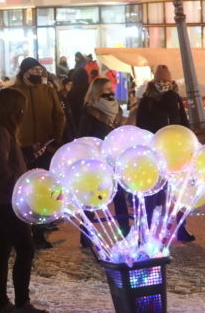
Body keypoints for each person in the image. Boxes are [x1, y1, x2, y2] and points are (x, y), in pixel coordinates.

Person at [0, 89, 49, 313]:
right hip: (4, 197)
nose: (23, 113)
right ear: (13, 109)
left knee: (2, 251)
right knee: (25, 249)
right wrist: (18, 187)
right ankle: (21, 305)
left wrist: (26, 153)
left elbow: (4, 160)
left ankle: (1, 303)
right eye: (21, 108)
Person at [10, 57, 65, 250]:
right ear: (24, 72)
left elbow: (59, 115)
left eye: (40, 70)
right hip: (22, 149)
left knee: (44, 191)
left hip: (45, 147)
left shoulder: (48, 91)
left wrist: (55, 138)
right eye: (33, 70)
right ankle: (22, 233)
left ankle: (40, 232)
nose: (38, 73)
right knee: (24, 192)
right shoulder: (13, 93)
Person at [136, 65, 195, 242]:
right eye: (159, 81)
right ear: (154, 81)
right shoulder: (147, 101)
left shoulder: (175, 99)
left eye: (166, 81)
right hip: (155, 151)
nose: (162, 84)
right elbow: (141, 127)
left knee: (178, 193)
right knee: (153, 194)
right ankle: (146, 232)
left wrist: (189, 144)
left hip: (176, 153)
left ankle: (180, 227)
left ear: (171, 81)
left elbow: (184, 123)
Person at [77, 78, 130, 246]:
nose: (111, 92)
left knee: (120, 196)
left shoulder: (118, 110)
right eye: (107, 89)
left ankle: (125, 231)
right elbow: (83, 137)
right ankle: (86, 233)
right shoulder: (90, 113)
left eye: (111, 88)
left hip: (116, 159)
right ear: (98, 92)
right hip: (97, 161)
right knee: (93, 197)